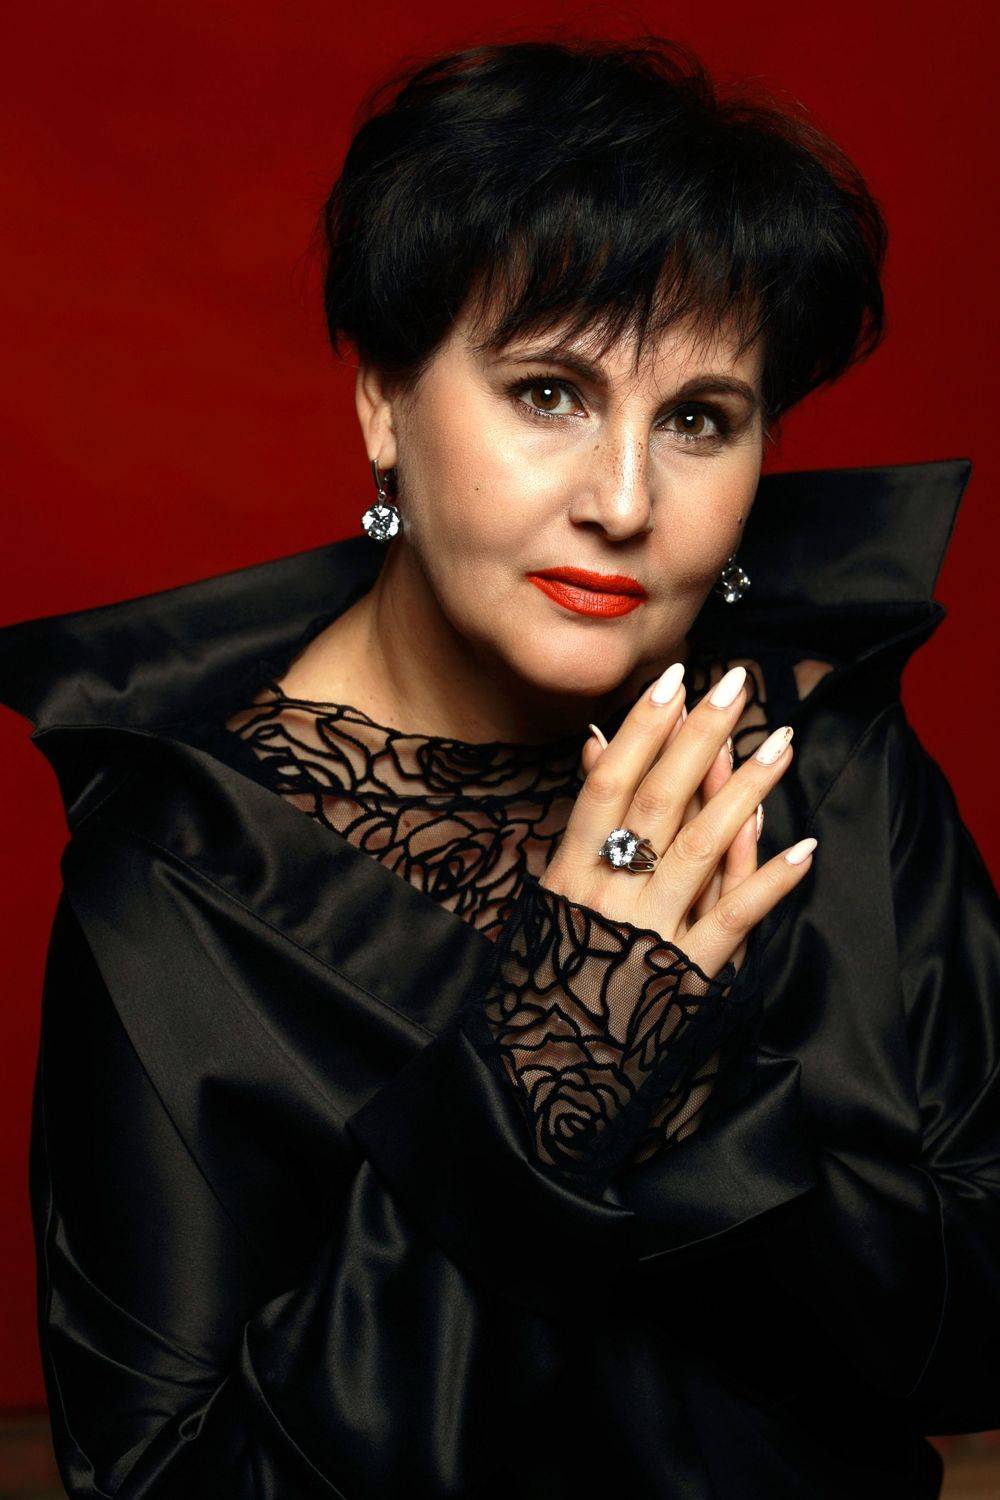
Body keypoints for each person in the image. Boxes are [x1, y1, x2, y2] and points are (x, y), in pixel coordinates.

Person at [0, 33, 996, 1500]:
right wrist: (550, 1060)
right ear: (383, 403)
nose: (624, 500)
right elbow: (176, 1482)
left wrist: (683, 1086)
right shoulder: (178, 884)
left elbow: (975, 1334)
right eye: (549, 393)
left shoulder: (819, 754)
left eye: (699, 420)